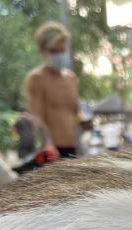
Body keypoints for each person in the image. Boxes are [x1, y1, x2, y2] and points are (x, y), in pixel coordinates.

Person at [23, 22, 81, 159]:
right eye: (54, 51)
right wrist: (47, 143)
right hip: (51, 151)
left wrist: (84, 123)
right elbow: (36, 117)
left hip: (73, 148)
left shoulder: (71, 78)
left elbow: (75, 113)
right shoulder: (36, 78)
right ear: (42, 51)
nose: (60, 55)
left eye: (62, 50)